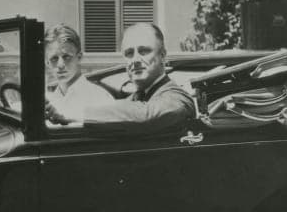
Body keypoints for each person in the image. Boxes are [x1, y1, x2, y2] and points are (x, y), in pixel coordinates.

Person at [46, 22, 195, 135]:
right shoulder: (134, 99)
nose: (135, 60)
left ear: (162, 56)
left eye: (144, 51)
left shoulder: (177, 98)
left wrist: (72, 114)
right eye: (129, 53)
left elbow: (145, 115)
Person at [43, 24, 111, 121]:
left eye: (66, 57)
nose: (61, 64)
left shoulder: (99, 97)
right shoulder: (51, 101)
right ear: (47, 63)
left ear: (79, 57)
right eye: (54, 58)